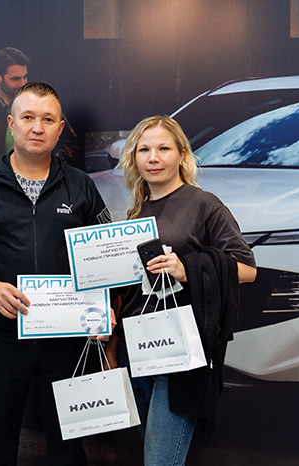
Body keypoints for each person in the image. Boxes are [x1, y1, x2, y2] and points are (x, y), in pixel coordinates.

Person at [0, 82, 111, 466]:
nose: (37, 127)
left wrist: (105, 306)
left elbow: (104, 256)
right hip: (2, 341)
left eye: (47, 119)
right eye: (28, 117)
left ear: (59, 129)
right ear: (11, 123)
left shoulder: (81, 186)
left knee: (69, 454)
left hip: (67, 345)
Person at [105, 115, 257, 466]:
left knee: (160, 461)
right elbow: (127, 292)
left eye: (163, 148)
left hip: (180, 353)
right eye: (144, 150)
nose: (153, 158)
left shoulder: (204, 204)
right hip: (133, 350)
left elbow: (248, 269)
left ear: (182, 154)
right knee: (152, 455)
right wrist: (112, 349)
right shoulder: (135, 213)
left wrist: (187, 269)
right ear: (133, 157)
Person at [0, 46, 79, 166]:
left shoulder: (45, 107)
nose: (22, 83)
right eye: (15, 79)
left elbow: (71, 144)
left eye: (24, 77)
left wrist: (48, 165)